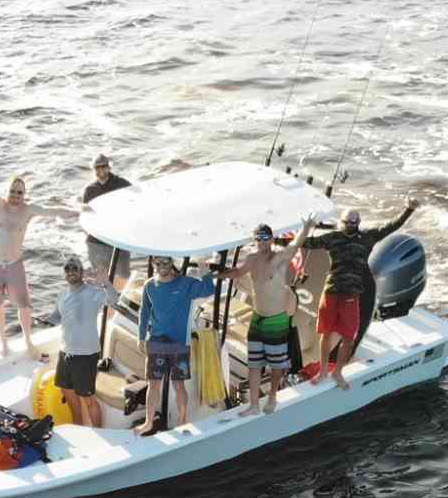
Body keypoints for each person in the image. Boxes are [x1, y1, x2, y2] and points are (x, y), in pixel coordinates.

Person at [0, 147, 75, 357]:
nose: (15, 195)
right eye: (13, 191)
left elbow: (51, 211)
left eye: (20, 192)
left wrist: (74, 213)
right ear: (8, 191)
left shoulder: (28, 210)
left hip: (14, 264)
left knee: (25, 306)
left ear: (25, 194)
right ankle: (3, 343)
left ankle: (28, 341)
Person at [305, 196, 420, 390]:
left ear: (358, 223)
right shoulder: (332, 238)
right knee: (325, 334)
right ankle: (323, 370)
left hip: (351, 295)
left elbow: (391, 226)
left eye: (355, 222)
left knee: (349, 339)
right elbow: (306, 243)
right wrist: (272, 240)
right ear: (340, 222)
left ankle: (338, 372)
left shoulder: (367, 237)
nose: (351, 225)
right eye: (348, 222)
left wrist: (409, 209)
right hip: (331, 292)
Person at [228, 216, 314, 416]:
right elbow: (240, 275)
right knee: (255, 363)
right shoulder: (253, 260)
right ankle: (254, 405)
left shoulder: (280, 258)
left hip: (278, 320)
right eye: (258, 239)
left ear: (272, 239)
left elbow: (295, 244)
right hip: (259, 319)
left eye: (266, 238)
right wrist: (216, 273)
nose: (262, 242)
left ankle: (273, 397)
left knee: (277, 365)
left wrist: (306, 227)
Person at [136, 255, 216, 434]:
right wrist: (141, 337)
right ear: (153, 264)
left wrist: (203, 265)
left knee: (178, 385)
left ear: (172, 263)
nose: (161, 266)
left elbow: (209, 289)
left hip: (179, 344)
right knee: (153, 384)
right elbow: (144, 313)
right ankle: (148, 422)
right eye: (158, 263)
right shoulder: (149, 285)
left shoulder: (186, 283)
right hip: (156, 342)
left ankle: (183, 419)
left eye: (165, 262)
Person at [44, 258, 116, 427]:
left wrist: (105, 283)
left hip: (85, 355)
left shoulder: (93, 292)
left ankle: (99, 432)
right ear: (64, 274)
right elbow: (57, 316)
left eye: (75, 268)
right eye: (67, 268)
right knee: (67, 392)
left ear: (82, 272)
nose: (71, 271)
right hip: (65, 352)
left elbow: (113, 300)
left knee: (87, 397)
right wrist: (46, 320)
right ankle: (78, 427)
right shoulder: (62, 294)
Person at [82, 152, 131, 282]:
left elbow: (135, 204)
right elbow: (86, 215)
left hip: (119, 238)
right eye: (97, 167)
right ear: (93, 170)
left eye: (104, 166)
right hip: (96, 241)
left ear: (109, 167)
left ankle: (119, 300)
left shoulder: (122, 184)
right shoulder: (89, 190)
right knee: (100, 278)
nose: (100, 169)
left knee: (123, 276)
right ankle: (104, 301)